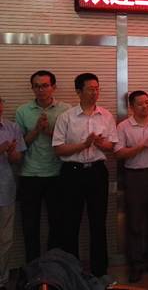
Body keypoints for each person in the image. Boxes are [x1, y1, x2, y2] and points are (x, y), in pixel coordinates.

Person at [52, 73, 118, 280]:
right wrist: (83, 145)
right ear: (78, 91)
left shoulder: (106, 115)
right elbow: (58, 149)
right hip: (72, 173)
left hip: (97, 172)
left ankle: (100, 272)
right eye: (90, 89)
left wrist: (100, 143)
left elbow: (111, 146)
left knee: (98, 223)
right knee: (70, 223)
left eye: (97, 88)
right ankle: (72, 273)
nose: (95, 92)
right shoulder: (67, 117)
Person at [15, 70, 71, 263]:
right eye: (37, 86)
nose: (41, 90)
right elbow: (20, 145)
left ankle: (53, 269)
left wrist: (49, 131)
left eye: (45, 85)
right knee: (30, 227)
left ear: (53, 87)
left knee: (58, 224)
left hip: (58, 174)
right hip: (29, 175)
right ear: (32, 88)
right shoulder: (23, 111)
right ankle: (33, 270)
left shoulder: (66, 110)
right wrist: (37, 130)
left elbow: (70, 142)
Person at [115, 90, 148, 283]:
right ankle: (136, 264)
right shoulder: (123, 126)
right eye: (140, 104)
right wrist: (141, 146)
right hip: (135, 176)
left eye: (147, 102)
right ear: (131, 107)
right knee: (135, 221)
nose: (145, 106)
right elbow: (119, 153)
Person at [0, 96, 26, 290]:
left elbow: (18, 158)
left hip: (5, 190)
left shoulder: (12, 128)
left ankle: (2, 279)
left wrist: (11, 152)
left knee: (5, 240)